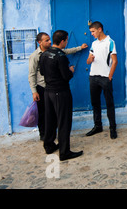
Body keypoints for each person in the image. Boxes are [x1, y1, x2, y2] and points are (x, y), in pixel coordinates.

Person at [28, 32, 87, 140]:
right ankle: (44, 135)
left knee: (53, 114)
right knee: (43, 114)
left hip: (52, 88)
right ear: (39, 42)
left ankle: (50, 138)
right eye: (46, 40)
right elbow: (32, 75)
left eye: (49, 39)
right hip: (42, 88)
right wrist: (34, 91)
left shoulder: (54, 52)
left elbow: (66, 51)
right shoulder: (35, 56)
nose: (49, 42)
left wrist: (80, 48)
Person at [39, 30, 83, 161]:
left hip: (48, 92)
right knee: (64, 121)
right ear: (63, 41)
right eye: (66, 40)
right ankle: (64, 152)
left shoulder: (44, 54)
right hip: (60, 92)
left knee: (50, 119)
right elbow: (66, 76)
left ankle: (49, 145)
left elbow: (42, 71)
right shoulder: (61, 56)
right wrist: (71, 70)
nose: (67, 42)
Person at [86, 21, 118, 139]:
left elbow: (115, 61)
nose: (92, 34)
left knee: (109, 103)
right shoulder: (94, 44)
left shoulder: (110, 42)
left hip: (105, 77)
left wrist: (110, 76)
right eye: (91, 32)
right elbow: (88, 61)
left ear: (99, 29)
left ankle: (112, 128)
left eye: (93, 31)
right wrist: (90, 59)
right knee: (95, 103)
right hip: (93, 76)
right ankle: (97, 126)